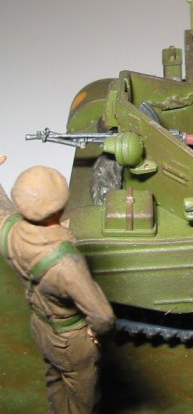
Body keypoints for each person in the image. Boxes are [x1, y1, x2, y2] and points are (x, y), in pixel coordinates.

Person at [0, 166, 115, 414]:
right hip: (70, 338)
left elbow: (2, 210)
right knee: (82, 398)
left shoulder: (8, 233)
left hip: (40, 325)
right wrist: (94, 331)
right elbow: (103, 316)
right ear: (60, 207)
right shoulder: (65, 262)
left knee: (54, 377)